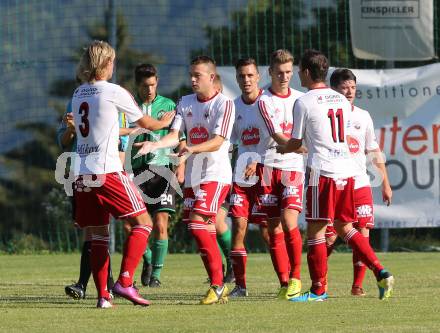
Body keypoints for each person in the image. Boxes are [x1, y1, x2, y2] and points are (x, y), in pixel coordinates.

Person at [278, 49, 394, 302]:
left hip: (323, 172)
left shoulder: (303, 101)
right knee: (345, 227)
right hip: (347, 172)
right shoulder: (340, 100)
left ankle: (318, 290)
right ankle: (380, 270)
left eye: (299, 70)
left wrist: (280, 147)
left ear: (307, 72)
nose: (298, 74)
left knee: (316, 233)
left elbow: (296, 142)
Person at [70, 40, 174, 308]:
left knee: (98, 236)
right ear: (106, 64)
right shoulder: (114, 91)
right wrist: (168, 121)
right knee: (144, 223)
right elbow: (146, 123)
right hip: (107, 171)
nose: (114, 66)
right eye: (112, 61)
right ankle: (125, 282)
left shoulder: (79, 93)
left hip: (82, 174)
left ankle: (103, 297)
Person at [136, 55, 235, 305]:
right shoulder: (185, 101)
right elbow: (174, 134)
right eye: (190, 74)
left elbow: (218, 141)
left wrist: (192, 149)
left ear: (211, 77)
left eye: (197, 75)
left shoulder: (224, 104)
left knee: (197, 224)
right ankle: (219, 282)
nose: (192, 79)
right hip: (193, 177)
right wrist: (155, 144)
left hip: (216, 175)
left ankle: (218, 284)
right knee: (203, 230)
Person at [324, 68, 393, 296]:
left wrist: (385, 182)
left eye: (352, 87)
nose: (350, 91)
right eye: (344, 87)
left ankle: (358, 286)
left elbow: (373, 150)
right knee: (331, 234)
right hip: (335, 181)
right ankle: (319, 281)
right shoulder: (325, 115)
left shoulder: (362, 116)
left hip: (360, 182)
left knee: (363, 232)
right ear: (334, 89)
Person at [255, 49, 305, 300]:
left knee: (289, 222)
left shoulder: (301, 99)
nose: (284, 77)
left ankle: (296, 277)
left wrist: (301, 149)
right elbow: (275, 135)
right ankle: (284, 282)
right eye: (280, 72)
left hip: (293, 169)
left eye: (288, 72)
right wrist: (304, 147)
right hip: (268, 167)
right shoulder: (263, 99)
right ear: (270, 72)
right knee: (273, 227)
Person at [128, 63, 181, 288]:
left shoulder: (168, 105)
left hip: (162, 169)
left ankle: (156, 276)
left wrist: (180, 165)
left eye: (152, 84)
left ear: (157, 81)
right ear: (137, 85)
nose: (149, 89)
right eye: (144, 86)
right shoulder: (129, 108)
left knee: (160, 223)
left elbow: (179, 136)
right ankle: (148, 260)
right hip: (135, 170)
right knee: (131, 224)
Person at [58, 98, 115, 301]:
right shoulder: (72, 103)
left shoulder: (109, 99)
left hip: (104, 172)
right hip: (79, 173)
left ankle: (105, 284)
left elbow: (119, 139)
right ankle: (103, 284)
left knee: (100, 229)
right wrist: (71, 130)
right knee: (91, 229)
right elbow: (63, 142)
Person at [227, 57, 270, 297]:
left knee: (268, 232)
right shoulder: (233, 107)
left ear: (258, 77)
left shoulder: (268, 102)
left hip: (266, 174)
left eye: (250, 75)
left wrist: (259, 161)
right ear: (237, 78)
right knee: (238, 227)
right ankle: (240, 286)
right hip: (242, 178)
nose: (246, 80)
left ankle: (286, 282)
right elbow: (230, 141)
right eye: (242, 76)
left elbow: (276, 139)